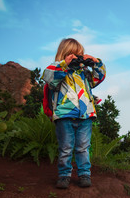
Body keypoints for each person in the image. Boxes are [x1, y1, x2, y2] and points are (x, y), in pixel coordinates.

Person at [42, 38, 106, 189]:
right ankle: (64, 175)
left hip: (85, 115)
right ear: (65, 54)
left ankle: (84, 174)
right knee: (65, 147)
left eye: (80, 55)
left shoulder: (84, 74)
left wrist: (96, 63)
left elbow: (99, 77)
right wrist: (65, 64)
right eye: (74, 55)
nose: (78, 59)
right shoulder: (58, 71)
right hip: (64, 115)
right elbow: (48, 77)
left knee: (83, 147)